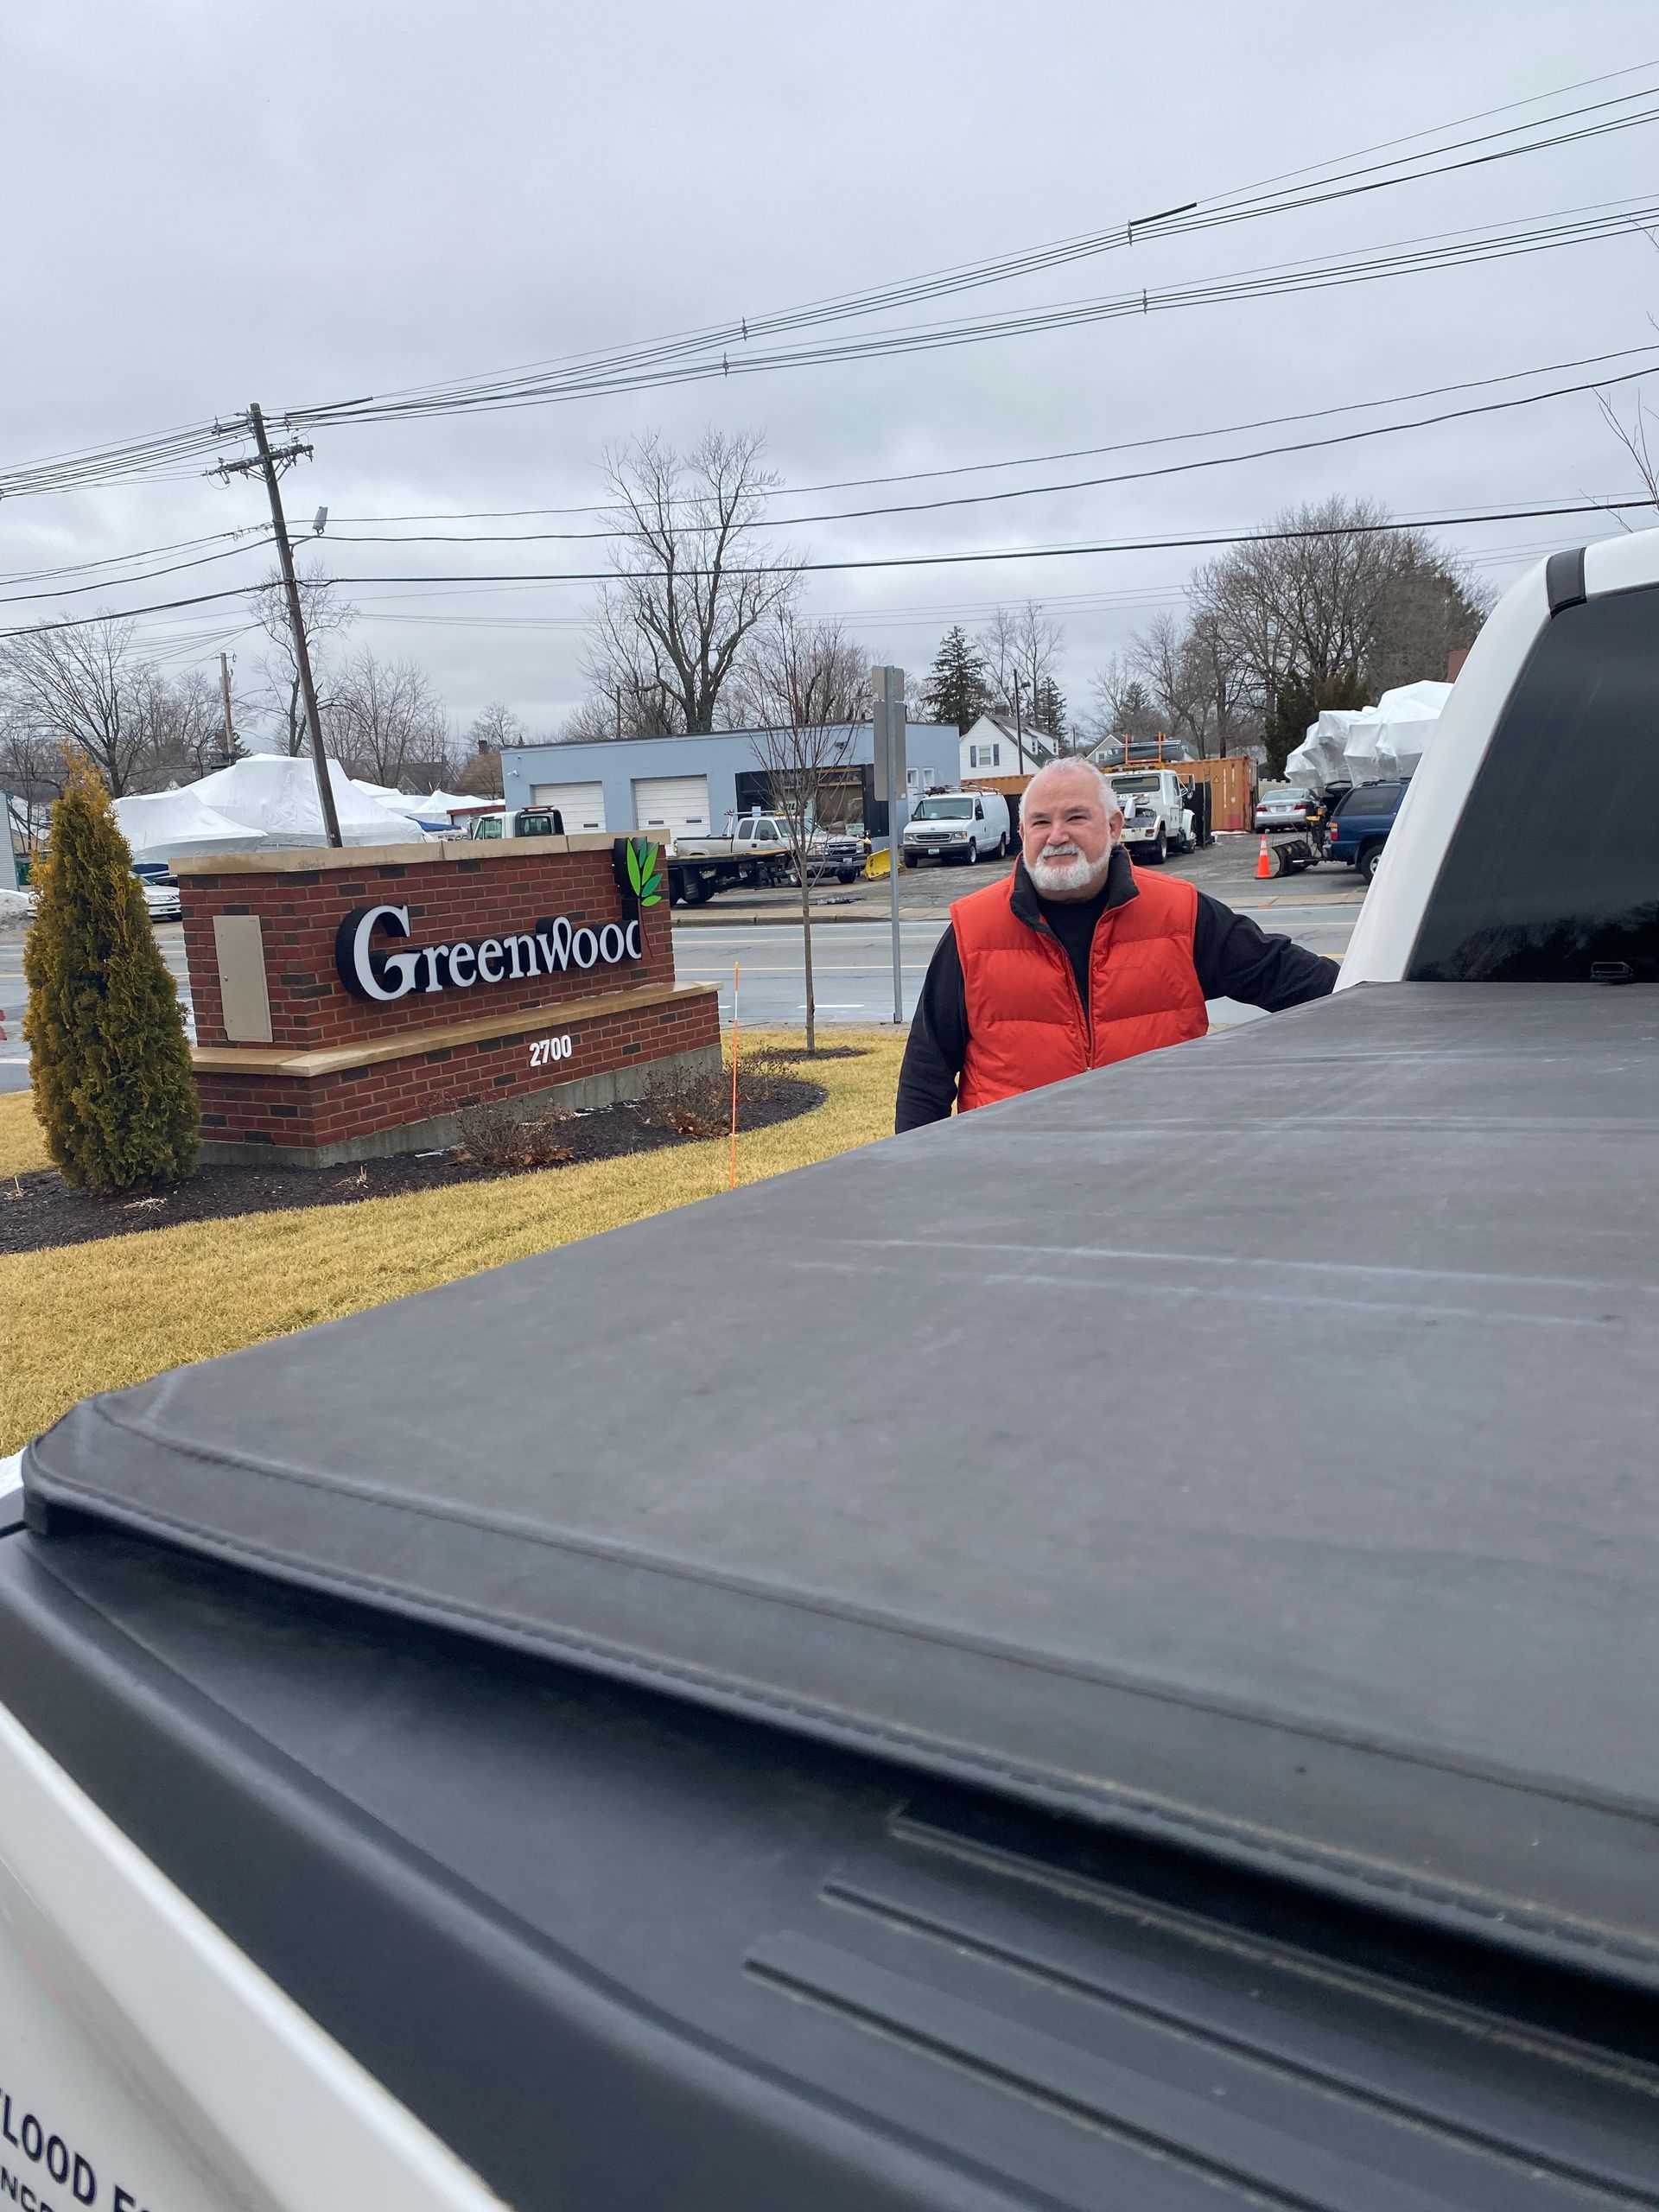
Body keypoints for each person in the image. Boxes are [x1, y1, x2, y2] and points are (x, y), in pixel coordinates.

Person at [895, 758, 1337, 1131]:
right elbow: (926, 1073)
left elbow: (1300, 982)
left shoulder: (1179, 913)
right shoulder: (973, 930)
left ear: (1114, 826)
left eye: (1075, 817)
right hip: (1010, 1173)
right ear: (1022, 833)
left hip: (1156, 1173)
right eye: (1040, 822)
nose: (1056, 835)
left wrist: (1393, 989)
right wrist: (914, 1181)